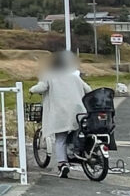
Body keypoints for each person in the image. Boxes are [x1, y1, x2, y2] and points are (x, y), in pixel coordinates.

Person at [31, 50, 91, 178]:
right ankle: (78, 154)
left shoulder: (49, 75)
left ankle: (63, 164)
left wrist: (31, 90)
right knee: (78, 133)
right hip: (78, 111)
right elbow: (88, 89)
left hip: (60, 114)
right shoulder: (74, 76)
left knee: (60, 139)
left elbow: (41, 87)